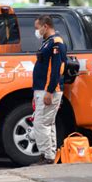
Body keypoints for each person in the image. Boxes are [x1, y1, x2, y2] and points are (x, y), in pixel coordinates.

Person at [31, 15, 67, 166]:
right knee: (48, 124)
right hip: (41, 90)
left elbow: (56, 70)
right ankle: (50, 155)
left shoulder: (56, 43)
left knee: (41, 124)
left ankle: (47, 157)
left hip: (49, 90)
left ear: (45, 26)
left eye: (37, 27)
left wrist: (49, 91)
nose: (36, 31)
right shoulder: (47, 42)